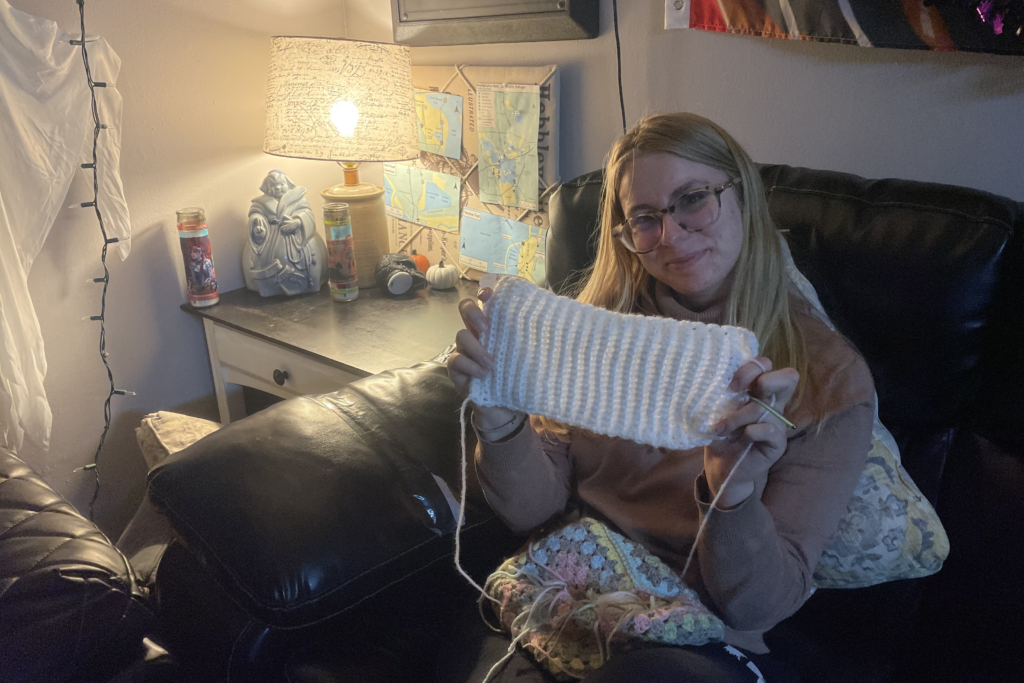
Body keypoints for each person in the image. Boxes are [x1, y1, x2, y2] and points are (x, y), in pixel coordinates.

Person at [446, 113, 875, 682]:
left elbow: (757, 607)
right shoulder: (596, 331)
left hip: (704, 642)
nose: (671, 237)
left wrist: (732, 494)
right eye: (644, 219)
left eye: (693, 199)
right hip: (575, 595)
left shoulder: (826, 377)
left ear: (741, 193)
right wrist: (499, 421)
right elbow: (533, 510)